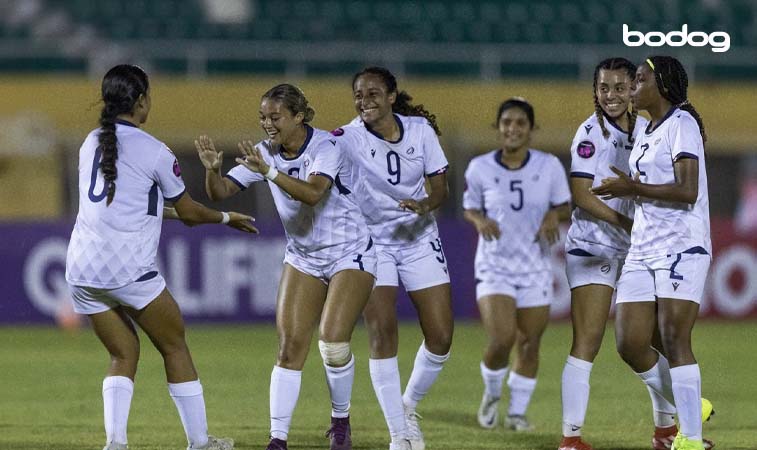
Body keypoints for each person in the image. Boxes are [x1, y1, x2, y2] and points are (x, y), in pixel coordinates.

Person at [65, 64, 254, 450]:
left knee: (123, 351)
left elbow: (128, 206)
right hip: (129, 271)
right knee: (174, 345)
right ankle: (201, 443)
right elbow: (187, 212)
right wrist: (224, 217)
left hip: (82, 271)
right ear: (140, 101)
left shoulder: (90, 142)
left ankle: (115, 443)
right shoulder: (154, 151)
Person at [194, 83, 376, 450]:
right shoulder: (265, 153)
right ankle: (278, 439)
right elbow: (220, 192)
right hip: (304, 256)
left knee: (333, 343)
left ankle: (340, 422)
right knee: (290, 346)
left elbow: (312, 193)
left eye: (275, 117)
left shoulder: (327, 146)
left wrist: (271, 172)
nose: (267, 124)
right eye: (263, 117)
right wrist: (213, 171)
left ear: (298, 116)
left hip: (349, 251)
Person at [592, 56, 712, 450]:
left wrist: (632, 189)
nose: (631, 89)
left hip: (682, 245)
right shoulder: (647, 131)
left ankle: (691, 438)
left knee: (675, 337)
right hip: (644, 248)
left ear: (661, 85)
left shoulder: (683, 124)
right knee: (629, 342)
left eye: (639, 80)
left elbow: (687, 190)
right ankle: (692, 404)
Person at [333, 66, 453, 450]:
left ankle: (409, 405)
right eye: (358, 95)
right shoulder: (348, 138)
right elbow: (311, 144)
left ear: (390, 96)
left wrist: (425, 204)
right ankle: (399, 432)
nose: (363, 101)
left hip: (418, 238)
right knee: (381, 330)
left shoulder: (420, 131)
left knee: (441, 336)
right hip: (372, 242)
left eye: (372, 94)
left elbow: (441, 188)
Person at [463, 98, 571, 432]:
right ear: (497, 128)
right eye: (507, 122)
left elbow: (565, 206)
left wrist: (554, 214)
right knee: (501, 339)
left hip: (535, 265)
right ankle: (493, 395)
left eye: (520, 123)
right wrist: (479, 221)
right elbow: (470, 207)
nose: (513, 128)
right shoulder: (480, 167)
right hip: (495, 265)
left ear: (531, 130)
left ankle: (517, 413)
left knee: (529, 342)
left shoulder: (549, 165)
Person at [557, 57, 645, 450]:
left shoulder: (648, 129)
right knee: (588, 339)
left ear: (634, 90)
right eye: (604, 87)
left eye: (620, 87)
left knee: (649, 341)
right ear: (595, 91)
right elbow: (580, 195)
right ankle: (570, 438)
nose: (611, 95)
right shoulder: (590, 133)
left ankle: (665, 433)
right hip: (594, 246)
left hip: (640, 249)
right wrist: (624, 223)